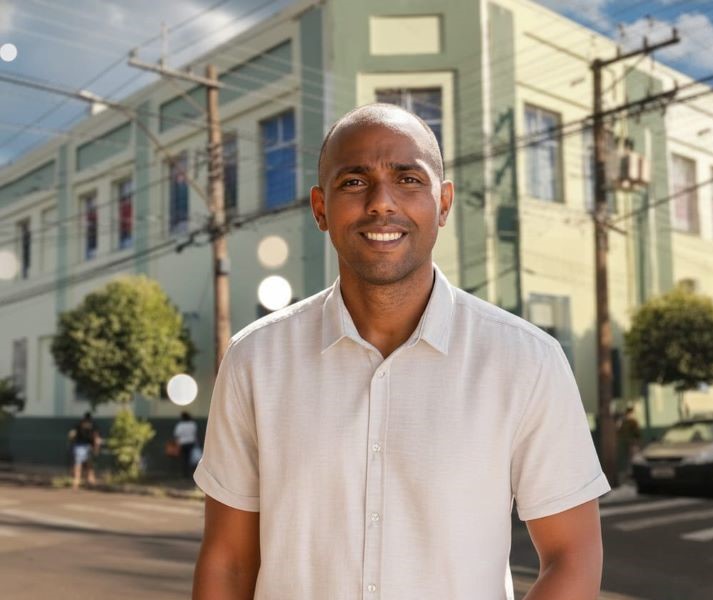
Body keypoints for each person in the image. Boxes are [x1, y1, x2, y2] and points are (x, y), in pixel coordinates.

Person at [193, 103, 610, 600]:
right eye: (354, 182)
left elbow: (572, 556)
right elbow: (229, 563)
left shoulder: (527, 361)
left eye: (409, 179)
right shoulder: (254, 360)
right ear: (320, 208)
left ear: (444, 203)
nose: (381, 203)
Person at [68, 412, 100, 490]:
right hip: (84, 446)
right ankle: (84, 481)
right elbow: (96, 438)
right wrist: (96, 448)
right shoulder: (91, 426)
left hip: (82, 446)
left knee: (82, 464)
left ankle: (81, 481)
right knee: (86, 464)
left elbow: (71, 435)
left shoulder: (80, 425)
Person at [174, 411, 199, 478]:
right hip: (191, 443)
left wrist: (177, 444)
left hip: (182, 443)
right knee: (190, 458)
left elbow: (177, 435)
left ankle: (184, 473)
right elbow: (195, 434)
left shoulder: (180, 425)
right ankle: (190, 472)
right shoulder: (192, 424)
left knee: (184, 458)